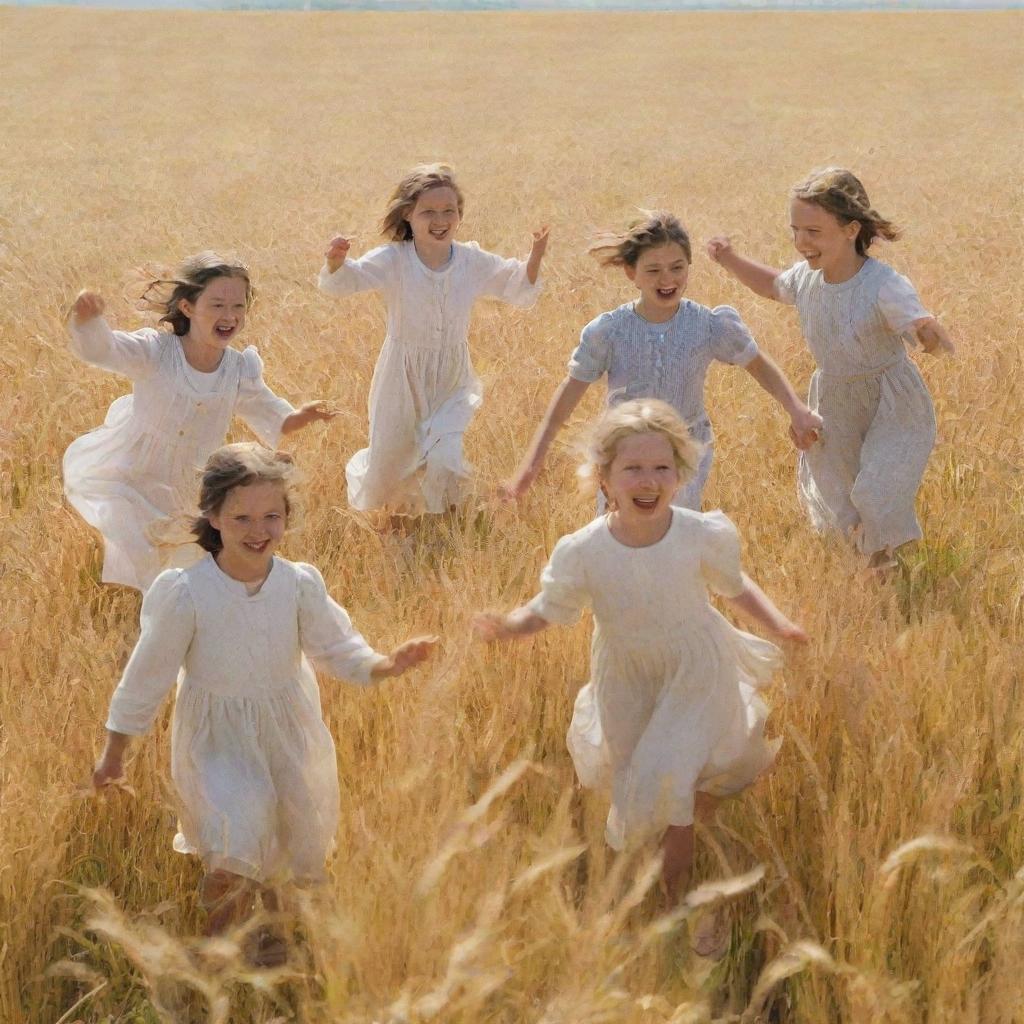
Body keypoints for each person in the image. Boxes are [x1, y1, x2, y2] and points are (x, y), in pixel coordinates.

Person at [91, 443, 437, 965]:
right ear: (213, 517)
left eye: (272, 516)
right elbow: (146, 677)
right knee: (235, 842)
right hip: (219, 740)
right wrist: (115, 751)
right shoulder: (186, 593)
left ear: (287, 517)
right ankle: (215, 957)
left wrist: (385, 664)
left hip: (288, 731)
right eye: (242, 517)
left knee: (293, 839)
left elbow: (337, 647)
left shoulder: (298, 585)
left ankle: (272, 944)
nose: (259, 530)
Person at [475, 399, 805, 918]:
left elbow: (736, 588)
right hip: (625, 678)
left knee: (670, 785)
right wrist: (511, 625)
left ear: (679, 475)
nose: (647, 480)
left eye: (660, 468)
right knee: (636, 791)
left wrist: (779, 623)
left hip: (694, 669)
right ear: (604, 478)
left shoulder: (701, 534)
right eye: (632, 468)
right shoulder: (583, 550)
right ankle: (644, 887)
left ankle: (675, 906)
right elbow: (549, 607)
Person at [707, 168, 954, 567]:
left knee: (875, 492)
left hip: (891, 403)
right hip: (835, 400)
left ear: (850, 229)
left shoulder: (883, 284)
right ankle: (872, 579)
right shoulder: (806, 280)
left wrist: (926, 330)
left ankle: (883, 563)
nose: (801, 242)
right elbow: (773, 286)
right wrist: (729, 259)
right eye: (796, 230)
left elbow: (915, 320)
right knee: (839, 499)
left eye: (813, 232)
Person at [504, 212, 820, 508]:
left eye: (677, 267)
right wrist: (531, 464)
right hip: (622, 453)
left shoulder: (708, 325)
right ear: (632, 273)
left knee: (672, 537)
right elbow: (565, 401)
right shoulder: (610, 331)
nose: (667, 279)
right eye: (653, 270)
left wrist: (797, 409)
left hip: (684, 454)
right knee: (619, 538)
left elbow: (758, 366)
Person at [64, 252, 336, 592]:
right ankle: (133, 606)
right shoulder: (157, 352)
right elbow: (106, 350)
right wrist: (89, 323)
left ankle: (170, 609)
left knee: (186, 556)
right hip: (132, 471)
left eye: (238, 307)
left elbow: (271, 414)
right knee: (136, 544)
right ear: (187, 307)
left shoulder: (238, 370)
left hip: (191, 480)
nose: (229, 316)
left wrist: (300, 416)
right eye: (218, 305)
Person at [318, 163, 549, 516]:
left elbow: (513, 282)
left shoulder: (470, 260)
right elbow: (351, 280)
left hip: (452, 376)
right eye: (428, 212)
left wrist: (535, 255)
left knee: (445, 455)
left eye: (449, 212)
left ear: (459, 216)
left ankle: (443, 524)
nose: (440, 220)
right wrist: (336, 261)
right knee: (390, 461)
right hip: (402, 375)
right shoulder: (394, 259)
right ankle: (391, 519)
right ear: (408, 215)